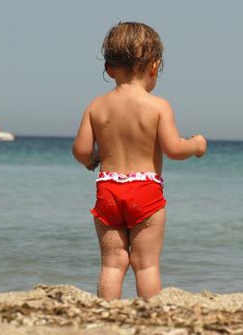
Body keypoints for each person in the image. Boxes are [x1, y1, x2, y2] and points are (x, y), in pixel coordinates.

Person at [72, 22, 207, 301]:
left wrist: (94, 158)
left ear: (109, 68)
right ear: (154, 67)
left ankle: (106, 313)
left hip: (108, 189)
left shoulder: (96, 106)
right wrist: (195, 145)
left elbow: (81, 150)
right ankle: (149, 317)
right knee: (146, 265)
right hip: (144, 191)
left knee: (112, 262)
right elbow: (173, 149)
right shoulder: (158, 106)